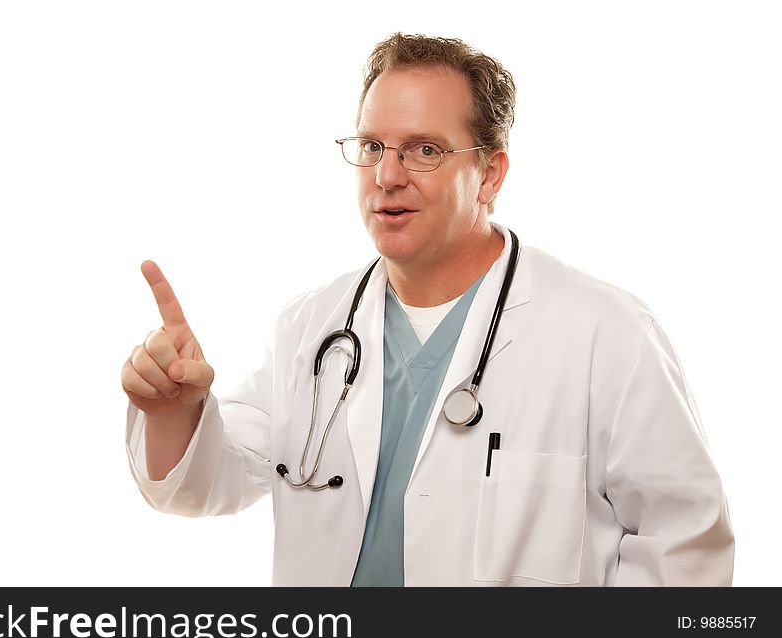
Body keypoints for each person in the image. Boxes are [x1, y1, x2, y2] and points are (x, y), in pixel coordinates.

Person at [121, 33, 734, 586]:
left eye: (425, 151)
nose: (387, 175)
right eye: (371, 146)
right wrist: (175, 412)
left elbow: (686, 550)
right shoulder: (309, 329)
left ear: (490, 175)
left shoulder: (607, 334)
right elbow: (209, 484)